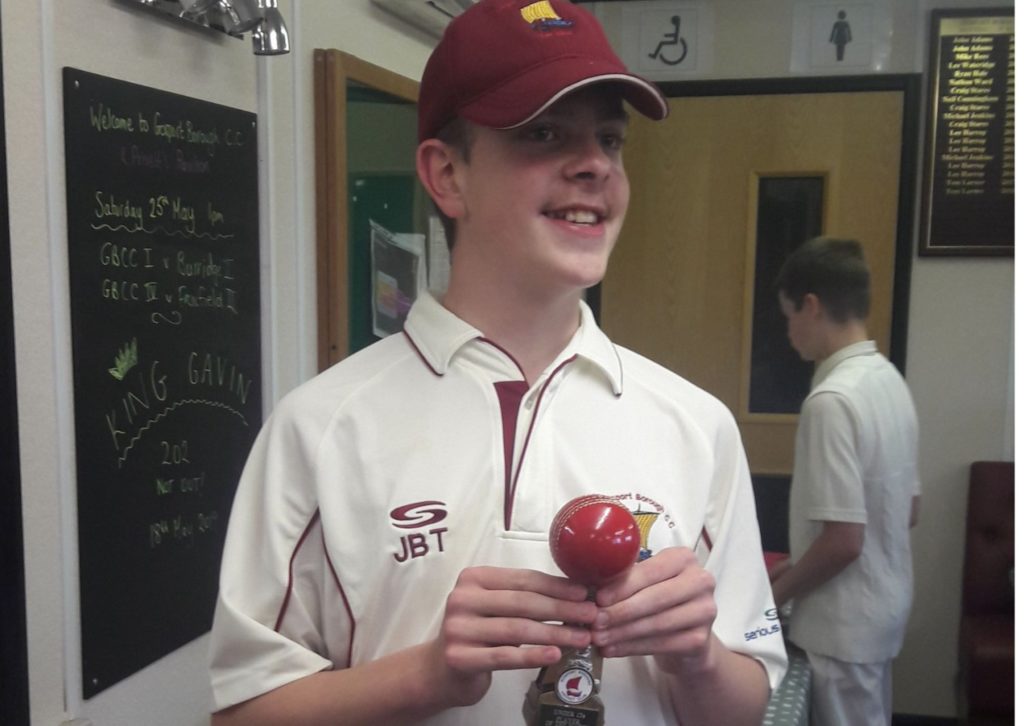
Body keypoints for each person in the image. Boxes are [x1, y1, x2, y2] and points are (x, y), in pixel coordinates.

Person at [209, 1, 786, 723]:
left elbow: (746, 707)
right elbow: (239, 713)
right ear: (447, 175)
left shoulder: (696, 427)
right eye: (544, 134)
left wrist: (696, 656)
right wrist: (425, 674)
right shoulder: (319, 428)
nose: (595, 167)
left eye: (610, 139)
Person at [769, 237, 920, 726]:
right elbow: (905, 508)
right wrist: (796, 562)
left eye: (789, 314)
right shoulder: (888, 380)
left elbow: (844, 542)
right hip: (882, 607)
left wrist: (770, 599)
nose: (789, 331)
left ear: (810, 306)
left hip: (842, 624)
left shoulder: (831, 400)